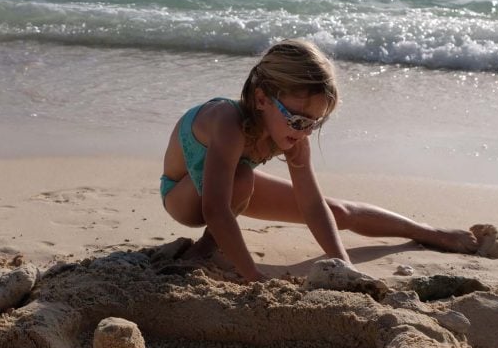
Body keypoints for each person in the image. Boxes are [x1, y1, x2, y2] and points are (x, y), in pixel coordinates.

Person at [160, 39, 478, 282]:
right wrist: (253, 276)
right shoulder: (228, 123)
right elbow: (215, 209)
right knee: (242, 179)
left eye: (316, 122)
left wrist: (344, 267)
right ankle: (205, 247)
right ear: (261, 99)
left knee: (335, 210)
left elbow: (313, 207)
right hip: (184, 196)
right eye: (299, 120)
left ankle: (429, 233)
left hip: (227, 191)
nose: (305, 131)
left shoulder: (291, 134)